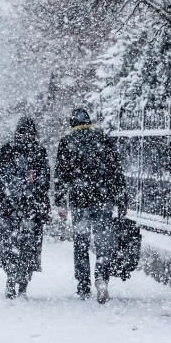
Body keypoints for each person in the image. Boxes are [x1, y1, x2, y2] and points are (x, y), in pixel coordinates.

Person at [54, 108, 127, 304]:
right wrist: (121, 200)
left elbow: (61, 175)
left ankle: (83, 284)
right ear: (89, 121)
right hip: (103, 199)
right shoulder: (103, 140)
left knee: (81, 243)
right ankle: (101, 277)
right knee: (103, 242)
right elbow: (115, 171)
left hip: (79, 201)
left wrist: (61, 202)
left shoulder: (67, 143)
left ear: (72, 124)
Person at [0, 116, 50, 299]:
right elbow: (45, 182)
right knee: (29, 244)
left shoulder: (6, 150)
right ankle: (23, 281)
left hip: (7, 207)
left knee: (8, 243)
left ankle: (10, 276)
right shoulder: (39, 151)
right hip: (32, 208)